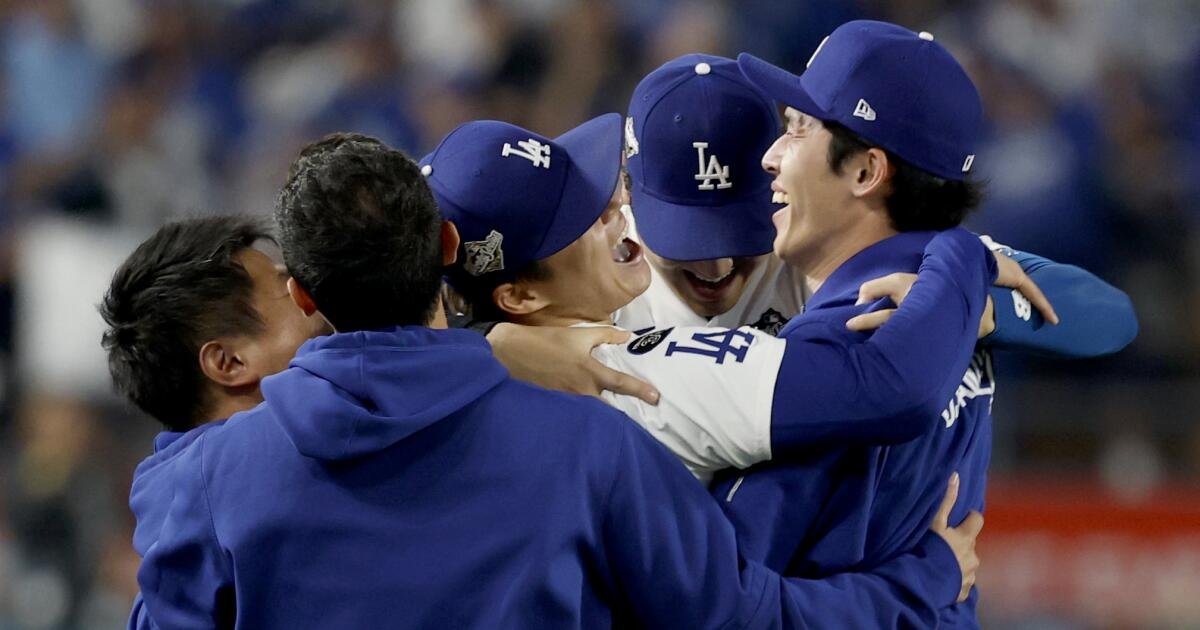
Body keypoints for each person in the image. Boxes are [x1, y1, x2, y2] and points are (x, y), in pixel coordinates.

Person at [110, 134, 983, 628]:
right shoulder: (594, 433)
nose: (623, 221)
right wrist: (926, 581)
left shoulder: (200, 481)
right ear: (446, 252)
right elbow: (742, 618)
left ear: (310, 291)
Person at [717, 20, 1135, 626]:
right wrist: (970, 309)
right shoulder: (956, 274)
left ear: (865, 172)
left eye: (799, 129)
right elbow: (1114, 315)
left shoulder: (839, 343)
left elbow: (727, 605)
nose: (771, 156)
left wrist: (981, 313)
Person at [424, 115, 995, 480]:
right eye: (580, 220)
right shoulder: (631, 374)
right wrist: (964, 256)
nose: (615, 211)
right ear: (519, 296)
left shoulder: (395, 396)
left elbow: (349, 344)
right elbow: (884, 386)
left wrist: (485, 344)